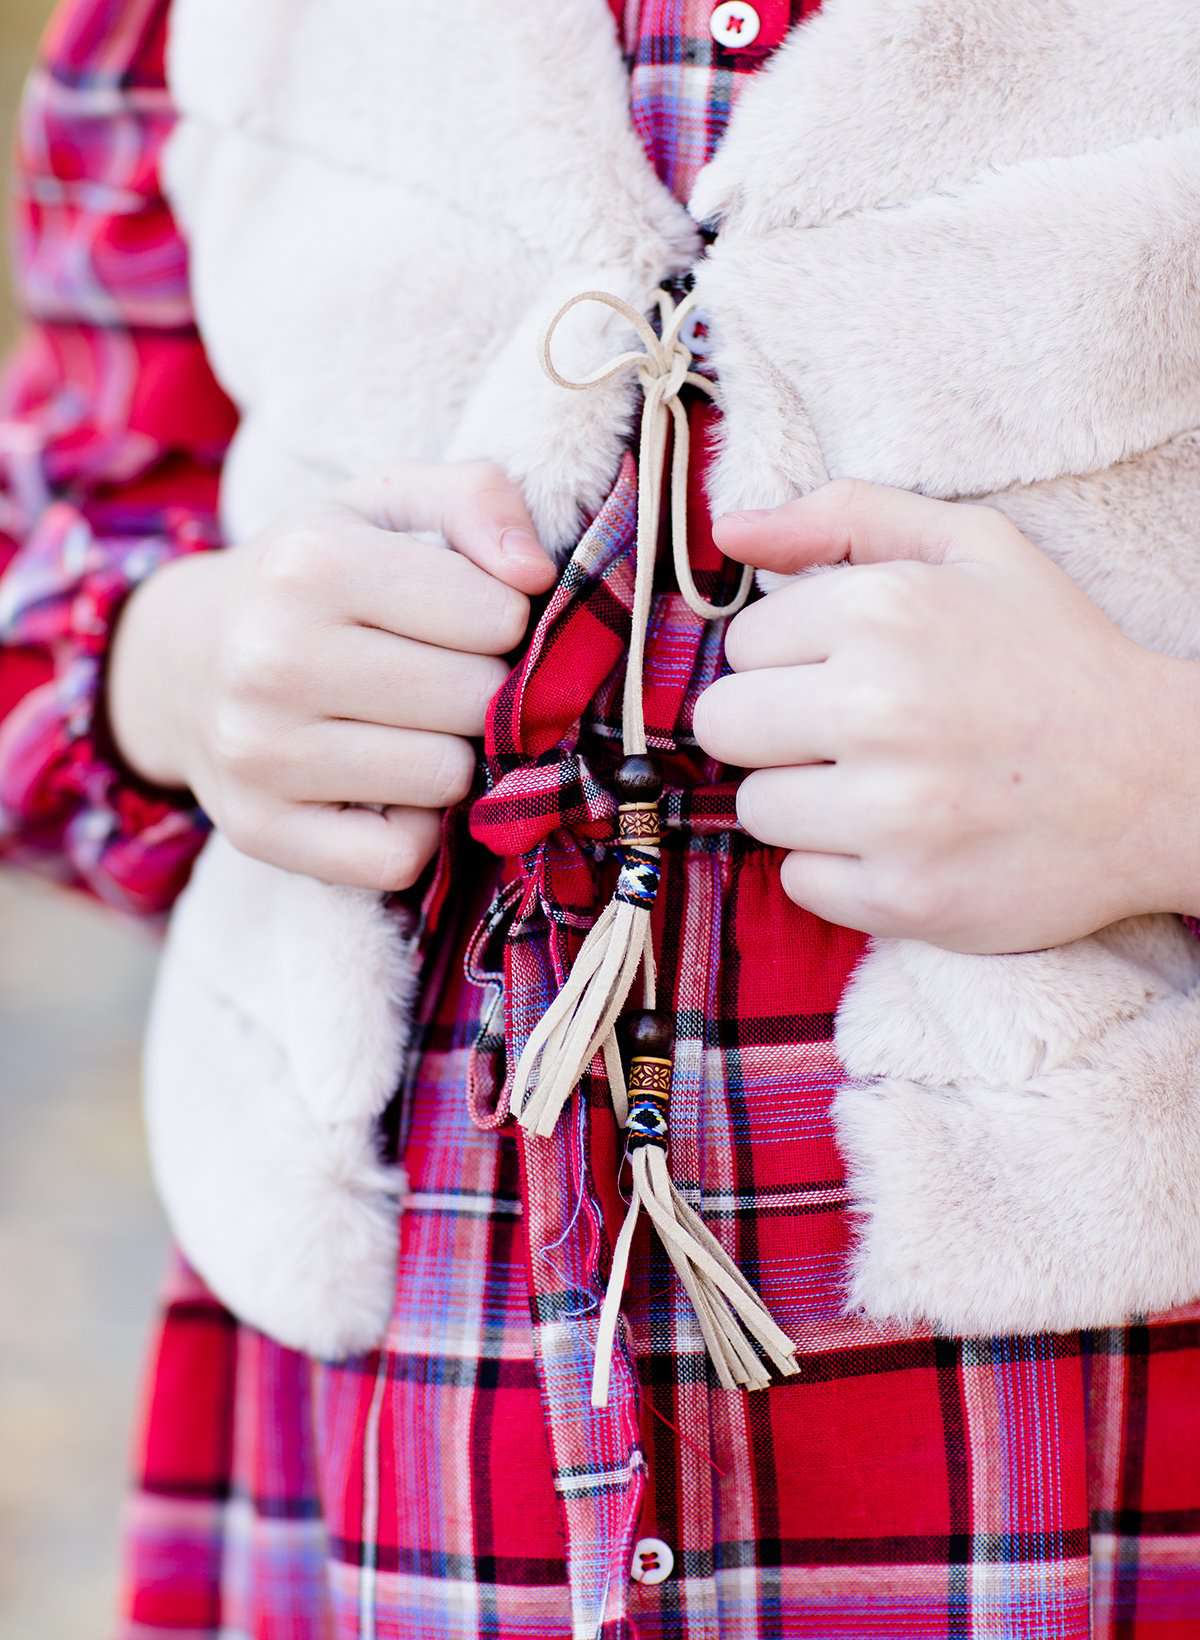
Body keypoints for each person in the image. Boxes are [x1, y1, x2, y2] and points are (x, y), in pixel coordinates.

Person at [3, 0, 1200, 1633]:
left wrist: (1157, 779)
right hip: (408, 1378)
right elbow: (64, 523)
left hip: (1117, 1376)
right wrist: (181, 670)